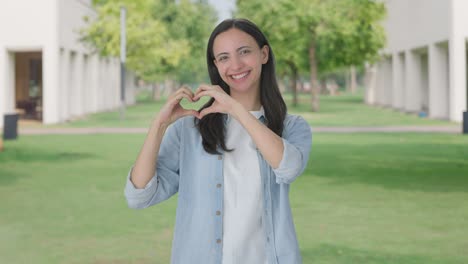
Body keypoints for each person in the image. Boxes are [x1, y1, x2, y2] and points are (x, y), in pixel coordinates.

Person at [124, 18, 312, 264]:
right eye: (223, 57)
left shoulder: (292, 127)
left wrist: (235, 108)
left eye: (244, 52)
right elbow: (139, 196)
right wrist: (158, 126)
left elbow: (288, 168)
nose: (235, 64)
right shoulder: (191, 129)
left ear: (264, 54)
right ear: (216, 65)